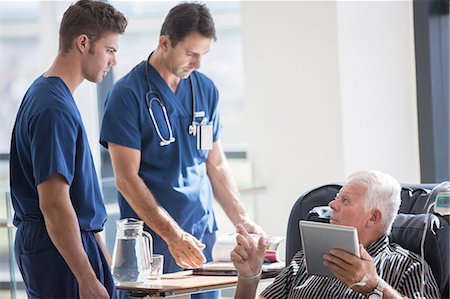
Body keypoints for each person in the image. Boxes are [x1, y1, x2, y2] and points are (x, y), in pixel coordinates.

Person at [100, 2, 263, 298]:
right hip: (151, 243)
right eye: (190, 53)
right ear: (165, 43)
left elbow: (215, 163)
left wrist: (242, 219)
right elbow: (126, 179)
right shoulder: (127, 95)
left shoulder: (205, 89)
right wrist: (172, 235)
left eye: (203, 55)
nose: (198, 64)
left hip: (201, 237)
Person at [9, 1, 127, 298]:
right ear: (83, 42)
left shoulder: (47, 93)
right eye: (110, 50)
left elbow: (74, 199)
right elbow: (55, 204)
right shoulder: (53, 108)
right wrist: (87, 278)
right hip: (58, 249)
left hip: (66, 244)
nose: (113, 61)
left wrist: (100, 260)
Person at [231, 170, 442, 299]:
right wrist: (250, 277)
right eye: (336, 198)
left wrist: (375, 287)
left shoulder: (407, 267)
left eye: (345, 201)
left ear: (373, 218)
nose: (332, 204)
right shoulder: (303, 261)